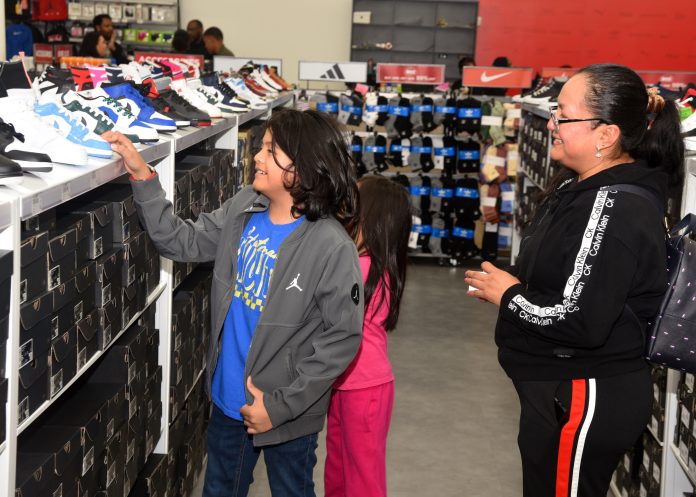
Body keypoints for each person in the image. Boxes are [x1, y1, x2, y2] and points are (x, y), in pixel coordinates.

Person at [101, 108, 363, 497]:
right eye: (260, 147)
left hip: (287, 414)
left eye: (271, 150)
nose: (257, 156)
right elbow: (181, 240)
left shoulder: (331, 246)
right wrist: (142, 174)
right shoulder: (244, 208)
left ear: (305, 167)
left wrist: (280, 406)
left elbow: (341, 339)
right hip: (227, 401)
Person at [465, 63, 684, 497]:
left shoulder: (615, 207)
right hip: (564, 392)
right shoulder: (579, 187)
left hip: (585, 395)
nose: (551, 124)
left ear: (606, 135)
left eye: (563, 116)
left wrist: (508, 295)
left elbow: (579, 319)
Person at [324, 175, 411, 497]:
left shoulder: (361, 268)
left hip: (365, 387)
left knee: (361, 475)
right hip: (343, 382)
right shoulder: (366, 264)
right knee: (338, 465)